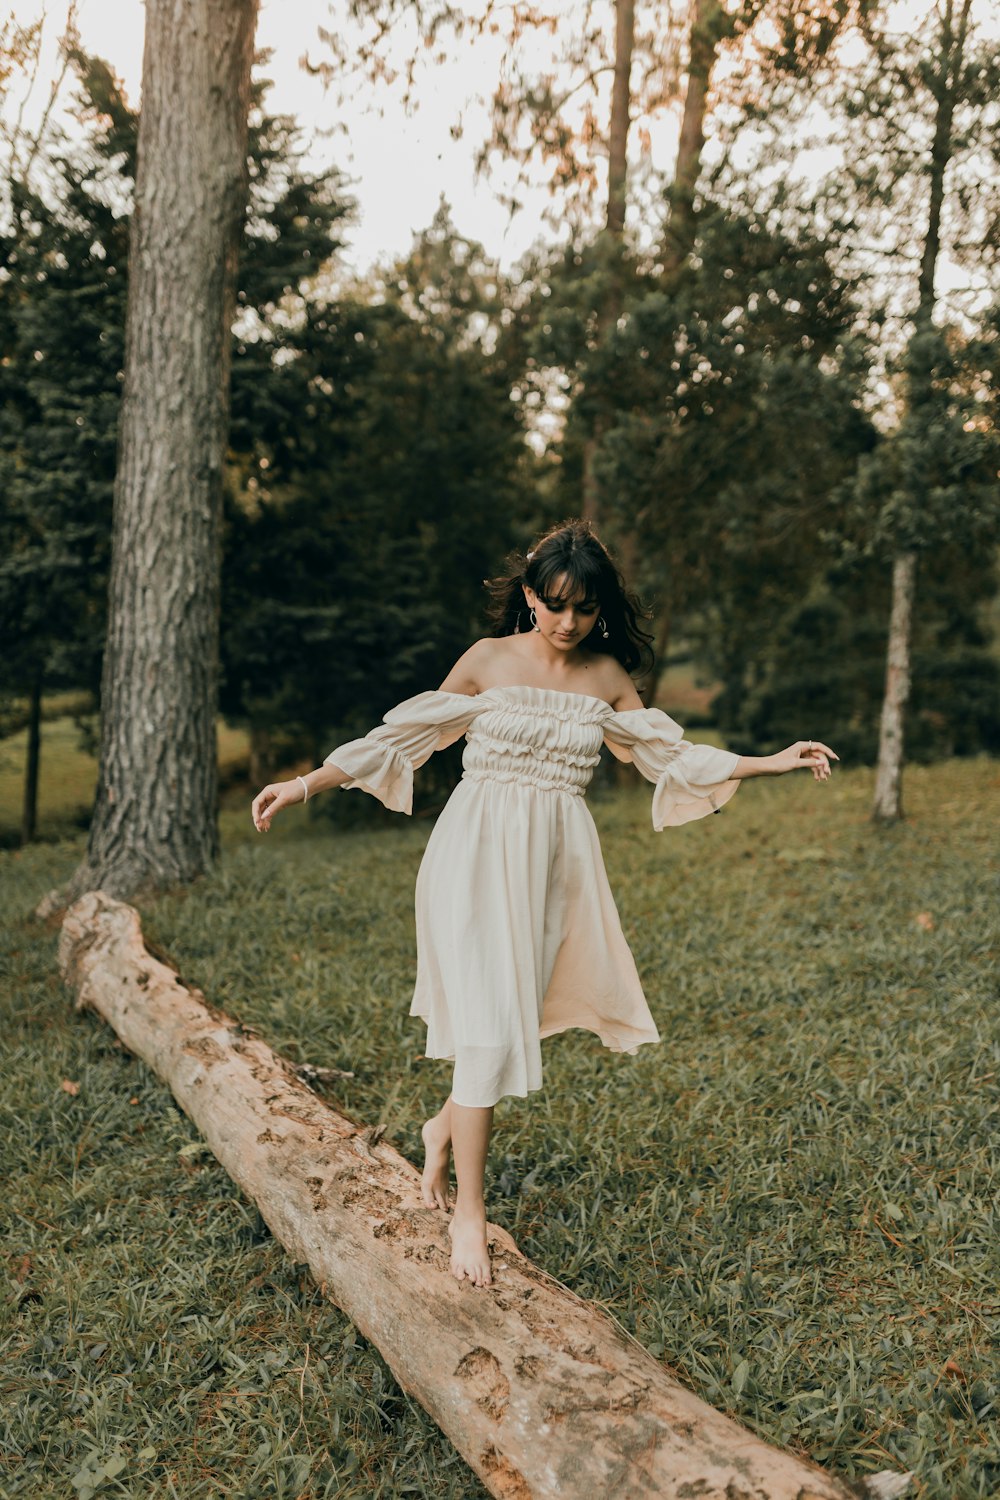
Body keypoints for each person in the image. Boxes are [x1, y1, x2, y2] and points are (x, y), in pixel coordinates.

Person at [251, 520, 837, 1290]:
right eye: (555, 604)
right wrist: (303, 784)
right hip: (473, 855)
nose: (569, 623)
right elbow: (397, 739)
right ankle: (468, 1211)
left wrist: (773, 762)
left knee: (505, 1017)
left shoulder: (606, 678)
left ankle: (441, 1127)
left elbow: (673, 756)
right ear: (530, 596)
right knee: (490, 1025)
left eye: (585, 608)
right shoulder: (488, 661)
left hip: (553, 865)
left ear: (600, 609)